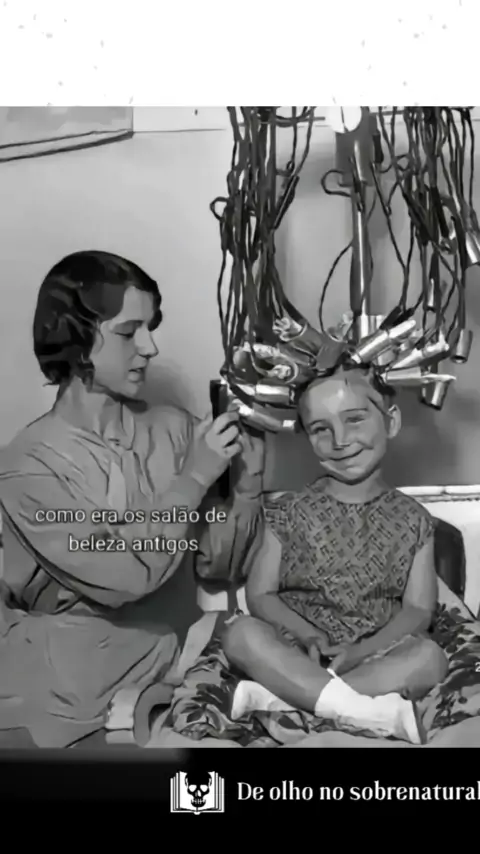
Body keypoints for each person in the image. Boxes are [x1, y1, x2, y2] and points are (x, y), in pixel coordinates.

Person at [0, 250, 264, 748]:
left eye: (150, 327)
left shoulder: (176, 430)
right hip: (72, 685)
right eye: (128, 332)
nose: (150, 347)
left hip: (173, 659)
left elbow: (216, 565)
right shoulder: (28, 466)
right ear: (77, 339)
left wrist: (248, 487)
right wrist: (193, 477)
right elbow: (123, 576)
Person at [222, 364, 448, 744]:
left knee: (430, 659)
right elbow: (260, 594)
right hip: (296, 654)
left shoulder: (415, 520)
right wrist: (307, 636)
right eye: (320, 429)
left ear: (391, 422)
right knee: (240, 633)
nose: (340, 440)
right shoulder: (288, 512)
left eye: (355, 419)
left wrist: (362, 651)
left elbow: (418, 610)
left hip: (374, 657)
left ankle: (286, 703)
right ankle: (361, 711)